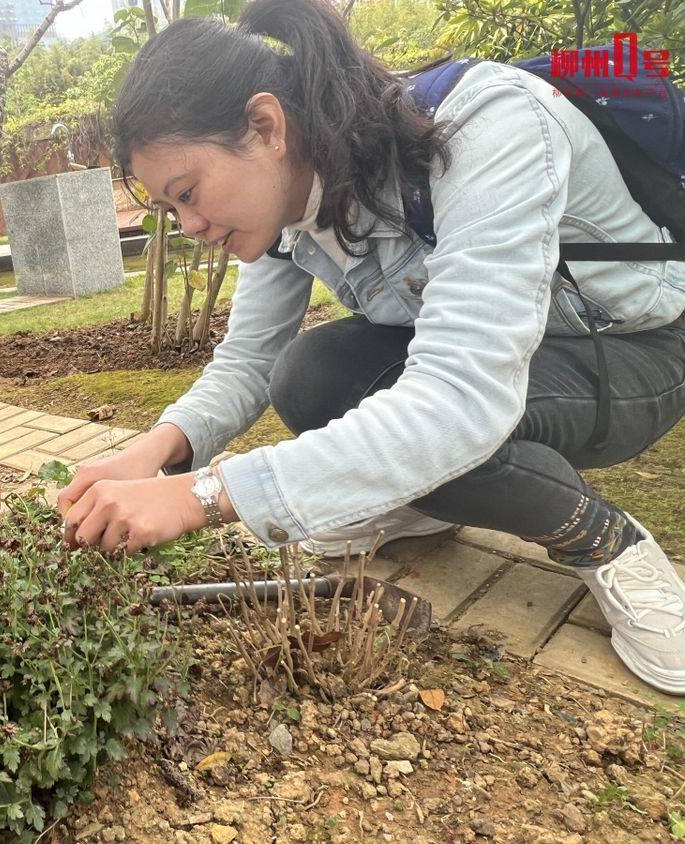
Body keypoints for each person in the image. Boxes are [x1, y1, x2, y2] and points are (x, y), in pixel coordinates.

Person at [58, 0, 685, 694]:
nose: (191, 224)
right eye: (170, 211)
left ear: (264, 126)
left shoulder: (482, 123)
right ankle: (418, 498)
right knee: (306, 375)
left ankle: (606, 543)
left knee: (437, 434)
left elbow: (458, 404)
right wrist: (153, 451)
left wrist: (201, 496)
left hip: (631, 353)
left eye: (187, 192)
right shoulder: (278, 210)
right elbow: (248, 362)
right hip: (512, 364)